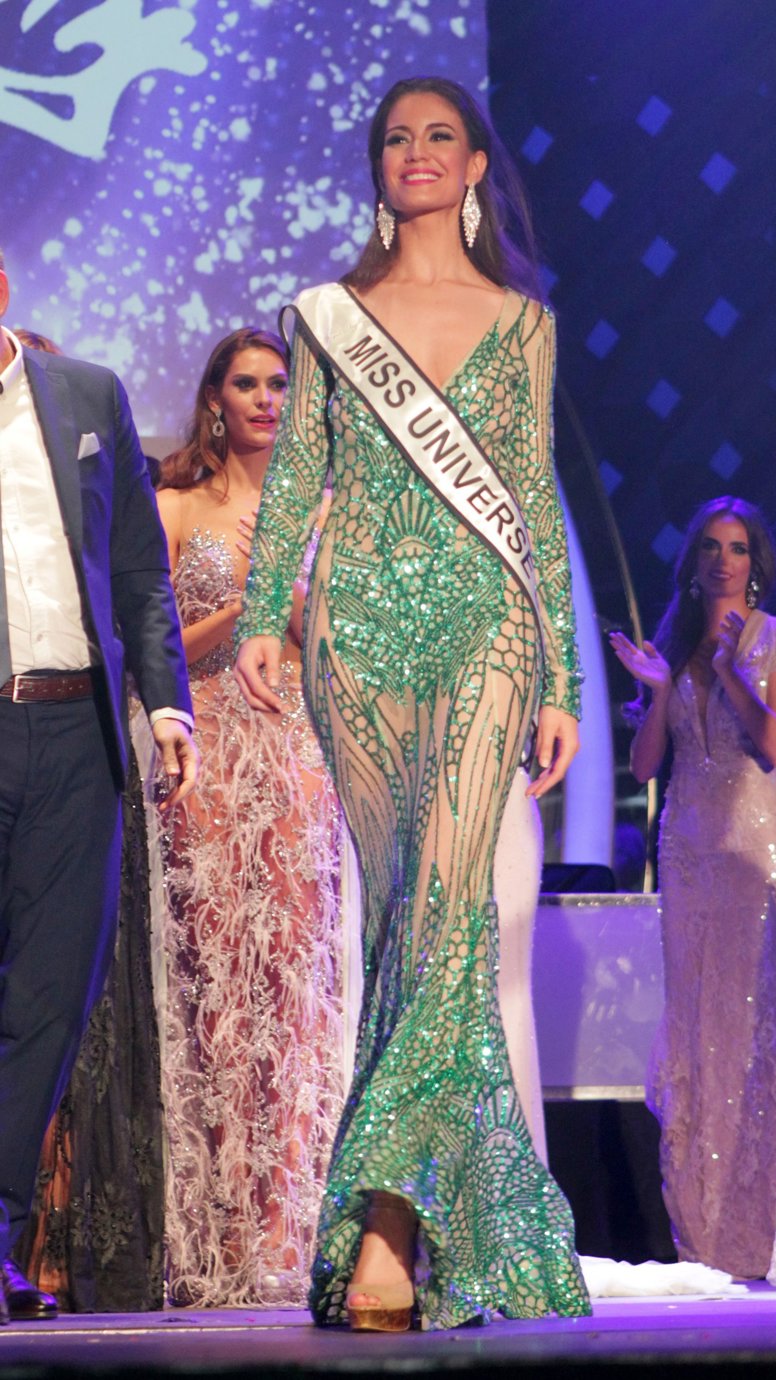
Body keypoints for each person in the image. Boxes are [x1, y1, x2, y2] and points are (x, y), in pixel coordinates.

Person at [235, 76, 589, 1331]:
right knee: (402, 927)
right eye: (397, 139)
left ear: (476, 165)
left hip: (486, 626)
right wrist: (267, 613)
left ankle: (386, 1232)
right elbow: (298, 475)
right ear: (377, 167)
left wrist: (560, 676)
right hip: (358, 630)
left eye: (440, 137)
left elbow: (528, 499)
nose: (418, 154)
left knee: (448, 917)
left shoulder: (522, 323)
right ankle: (452, 1222)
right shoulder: (325, 317)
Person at [0, 253, 197, 1324]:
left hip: (78, 730)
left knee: (50, 998)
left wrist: (166, 705)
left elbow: (137, 569)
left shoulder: (85, 394)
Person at [155, 327, 345, 1307]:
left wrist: (306, 608)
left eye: (280, 384)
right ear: (214, 400)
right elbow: (151, 649)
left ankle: (286, 1224)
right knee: (215, 989)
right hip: (207, 759)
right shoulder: (176, 506)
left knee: (291, 988)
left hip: (298, 754)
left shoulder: (327, 511)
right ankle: (217, 1224)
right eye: (247, 383)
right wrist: (250, 604)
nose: (267, 398)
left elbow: (350, 648)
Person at [610, 496, 776, 1279]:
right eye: (712, 547)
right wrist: (661, 691)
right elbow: (643, 768)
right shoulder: (673, 643)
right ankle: (707, 1233)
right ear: (692, 564)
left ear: (757, 564)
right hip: (689, 853)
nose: (725, 560)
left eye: (739, 547)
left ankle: (766, 1228)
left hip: (757, 847)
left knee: (764, 1024)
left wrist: (728, 670)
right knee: (699, 1027)